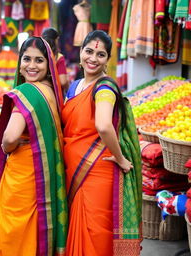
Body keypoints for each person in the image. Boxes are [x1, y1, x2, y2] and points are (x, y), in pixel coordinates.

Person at [62, 30, 142, 256]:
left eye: (101, 54)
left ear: (108, 60)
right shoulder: (74, 86)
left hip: (94, 169)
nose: (93, 58)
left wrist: (121, 159)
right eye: (89, 51)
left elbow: (104, 126)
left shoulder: (104, 88)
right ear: (80, 52)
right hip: (75, 167)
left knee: (95, 235)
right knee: (84, 233)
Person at [0, 37, 68, 256]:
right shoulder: (50, 91)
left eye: (39, 60)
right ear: (19, 61)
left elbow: (11, 136)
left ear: (48, 65)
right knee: (35, 231)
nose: (32, 66)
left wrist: (7, 147)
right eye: (27, 59)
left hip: (23, 176)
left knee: (15, 233)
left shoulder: (28, 93)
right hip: (42, 175)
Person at [41, 27, 69, 92]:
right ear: (56, 40)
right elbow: (63, 81)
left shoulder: (39, 55)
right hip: (55, 94)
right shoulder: (58, 57)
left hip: (41, 92)